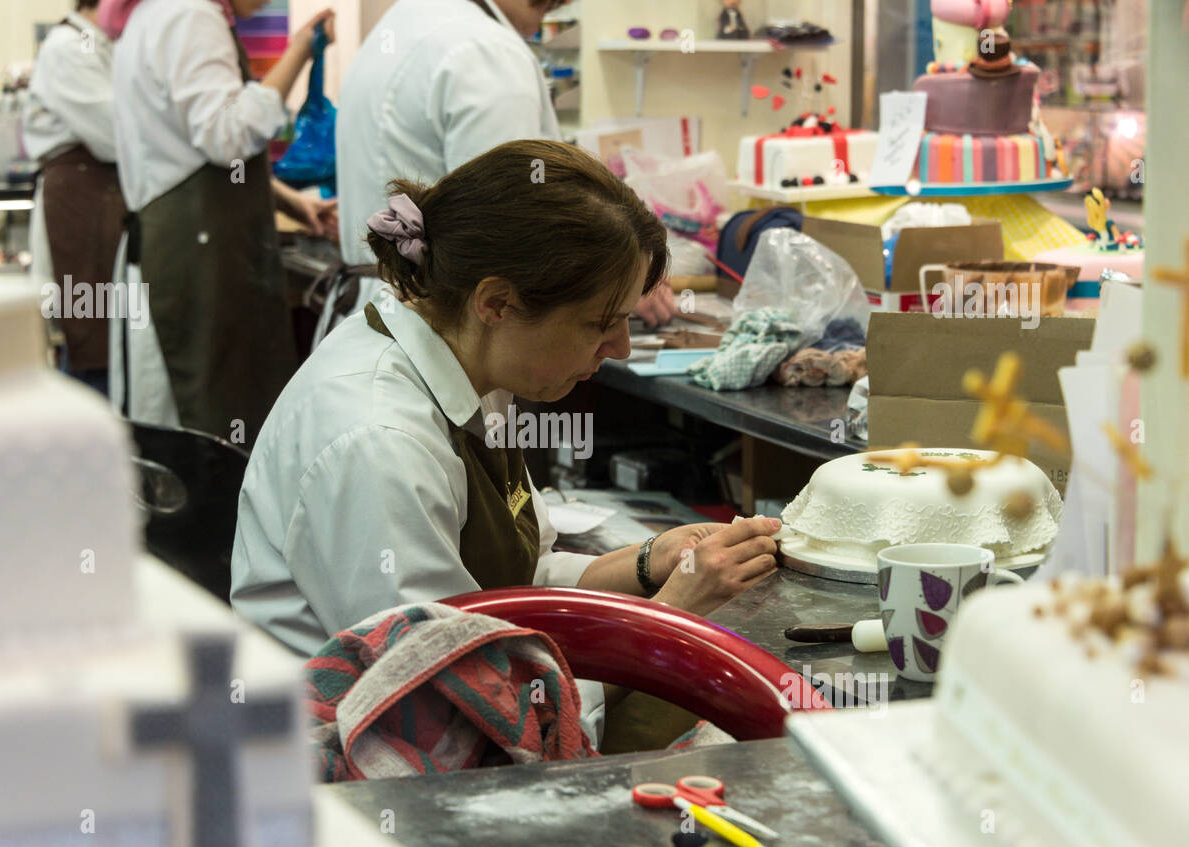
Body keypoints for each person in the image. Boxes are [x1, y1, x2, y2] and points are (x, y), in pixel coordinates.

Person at [232, 141, 780, 746]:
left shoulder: (469, 365)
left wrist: (650, 565)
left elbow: (521, 580)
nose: (621, 347)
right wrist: (672, 617)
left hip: (451, 712)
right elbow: (464, 710)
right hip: (363, 767)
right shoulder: (379, 443)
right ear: (496, 303)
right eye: (600, 323)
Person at [322, 0, 674, 342]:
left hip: (372, 314)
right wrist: (614, 279)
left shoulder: (403, 19)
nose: (542, 20)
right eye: (542, 5)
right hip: (436, 325)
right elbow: (512, 220)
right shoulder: (486, 50)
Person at [100, 0, 339, 446]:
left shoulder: (160, 13)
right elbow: (225, 134)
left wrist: (287, 202)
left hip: (184, 244)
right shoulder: (190, 15)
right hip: (197, 255)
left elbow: (183, 148)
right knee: (217, 422)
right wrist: (298, 53)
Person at [23, 0, 123, 396]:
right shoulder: (67, 47)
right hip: (81, 206)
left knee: (107, 338)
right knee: (89, 343)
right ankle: (80, 446)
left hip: (104, 202)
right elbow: (117, 134)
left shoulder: (103, 45)